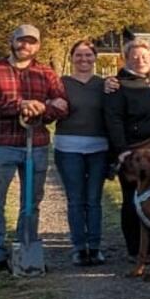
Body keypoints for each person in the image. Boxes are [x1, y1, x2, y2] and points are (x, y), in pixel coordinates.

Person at [0, 24, 67, 271]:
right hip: (3, 145)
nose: (26, 46)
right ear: (12, 41)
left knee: (31, 202)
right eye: (21, 41)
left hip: (35, 146)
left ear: (38, 46)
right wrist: (19, 105)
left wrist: (43, 108)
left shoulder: (46, 74)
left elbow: (62, 104)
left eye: (32, 42)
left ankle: (25, 247)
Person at [103, 38, 150, 263]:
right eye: (134, 56)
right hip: (134, 154)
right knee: (133, 201)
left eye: (144, 56)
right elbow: (113, 120)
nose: (140, 60)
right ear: (126, 59)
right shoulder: (118, 85)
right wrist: (122, 150)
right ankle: (136, 250)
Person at [54, 39, 110, 266]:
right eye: (79, 55)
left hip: (99, 148)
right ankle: (79, 247)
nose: (84, 59)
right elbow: (50, 106)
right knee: (76, 200)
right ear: (72, 58)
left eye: (88, 55)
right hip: (68, 147)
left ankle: (95, 247)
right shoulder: (61, 83)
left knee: (94, 199)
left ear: (95, 58)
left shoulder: (105, 84)